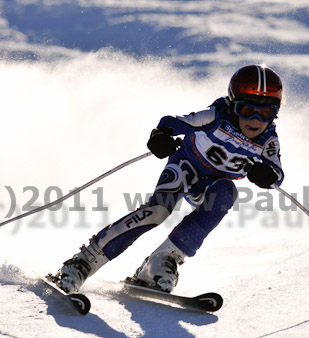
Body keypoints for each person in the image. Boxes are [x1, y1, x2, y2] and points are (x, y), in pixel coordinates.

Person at [52, 64, 285, 293]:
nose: (255, 119)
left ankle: (161, 261)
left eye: (265, 113)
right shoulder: (217, 115)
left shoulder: (268, 140)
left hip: (209, 186)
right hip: (185, 167)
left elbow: (277, 174)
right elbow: (173, 122)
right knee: (158, 211)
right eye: (247, 110)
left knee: (227, 192)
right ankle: (84, 262)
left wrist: (266, 175)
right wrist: (161, 136)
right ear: (233, 105)